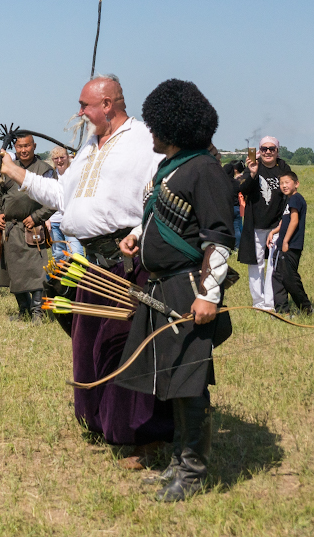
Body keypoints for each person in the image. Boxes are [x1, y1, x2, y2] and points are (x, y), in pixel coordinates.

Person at [0, 74, 172, 462]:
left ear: (108, 104)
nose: (79, 112)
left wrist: (142, 232)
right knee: (88, 343)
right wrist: (15, 172)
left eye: (85, 105)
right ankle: (98, 421)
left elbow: (163, 193)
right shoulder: (90, 146)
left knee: (123, 347)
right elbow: (61, 194)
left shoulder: (145, 141)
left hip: (127, 261)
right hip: (90, 264)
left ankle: (136, 432)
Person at [117, 79, 235, 501]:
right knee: (170, 382)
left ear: (174, 126)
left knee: (189, 383)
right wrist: (137, 234)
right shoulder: (175, 168)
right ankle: (178, 464)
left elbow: (218, 238)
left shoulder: (204, 169)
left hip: (189, 288)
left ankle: (193, 473)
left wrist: (209, 295)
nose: (151, 131)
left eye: (155, 125)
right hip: (164, 289)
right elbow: (165, 219)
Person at [0, 133, 56, 321]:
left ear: (34, 146)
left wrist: (36, 217)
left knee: (37, 272)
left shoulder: (44, 169)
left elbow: (54, 200)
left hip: (32, 230)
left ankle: (38, 312)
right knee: (13, 272)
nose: (23, 150)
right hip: (10, 228)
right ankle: (24, 311)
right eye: (19, 146)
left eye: (27, 146)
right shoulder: (8, 167)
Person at [238, 136, 291, 310]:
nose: (268, 152)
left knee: (273, 265)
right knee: (256, 263)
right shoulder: (253, 167)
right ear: (259, 151)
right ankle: (258, 301)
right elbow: (242, 189)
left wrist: (285, 220)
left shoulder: (283, 168)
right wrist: (251, 172)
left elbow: (289, 193)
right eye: (264, 149)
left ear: (277, 150)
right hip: (255, 224)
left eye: (271, 149)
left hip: (275, 225)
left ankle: (269, 301)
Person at [271, 171, 311, 314]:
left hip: (290, 245)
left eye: (287, 182)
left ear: (296, 184)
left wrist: (286, 241)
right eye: (281, 183)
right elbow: (285, 220)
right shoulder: (289, 200)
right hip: (283, 245)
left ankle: (305, 307)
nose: (284, 185)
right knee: (278, 276)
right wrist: (273, 232)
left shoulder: (296, 199)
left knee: (289, 278)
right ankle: (282, 310)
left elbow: (294, 221)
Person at [47, 146, 84, 262]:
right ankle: (61, 279)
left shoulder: (74, 173)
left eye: (62, 157)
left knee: (76, 252)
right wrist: (46, 219)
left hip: (70, 220)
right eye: (56, 158)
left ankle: (79, 278)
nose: (59, 161)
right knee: (58, 254)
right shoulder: (50, 175)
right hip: (54, 220)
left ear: (67, 157)